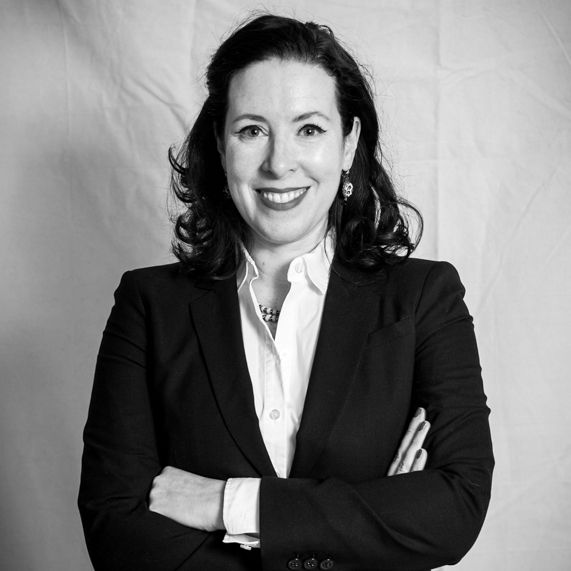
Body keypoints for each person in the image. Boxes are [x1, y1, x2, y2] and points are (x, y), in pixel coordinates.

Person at [78, 13, 493, 571]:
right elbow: (116, 533)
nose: (279, 163)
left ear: (348, 144)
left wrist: (229, 505)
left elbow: (455, 508)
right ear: (220, 145)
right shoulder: (148, 305)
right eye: (252, 130)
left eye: (310, 129)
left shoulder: (423, 299)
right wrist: (372, 524)